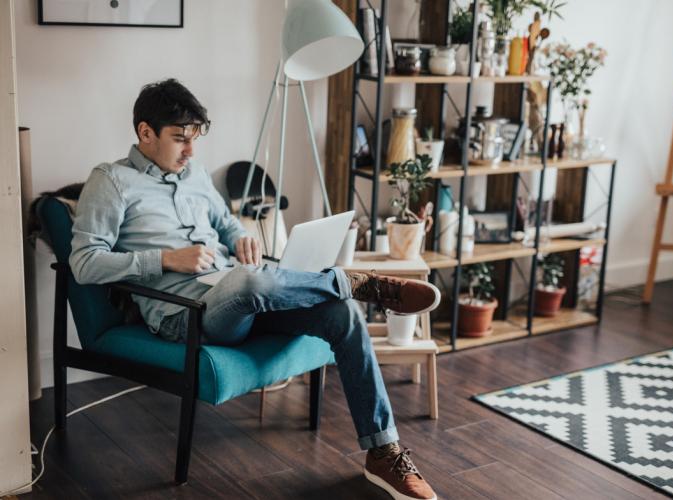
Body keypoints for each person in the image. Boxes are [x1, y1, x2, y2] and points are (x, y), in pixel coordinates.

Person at [70, 78, 438, 500]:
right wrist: (166, 259)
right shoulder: (111, 181)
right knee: (249, 279)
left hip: (243, 295)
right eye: (179, 139)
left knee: (343, 314)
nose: (190, 151)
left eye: (195, 140)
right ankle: (347, 281)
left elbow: (224, 225)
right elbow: (83, 263)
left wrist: (239, 236)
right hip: (186, 314)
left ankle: (383, 453)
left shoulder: (195, 175)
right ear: (145, 133)